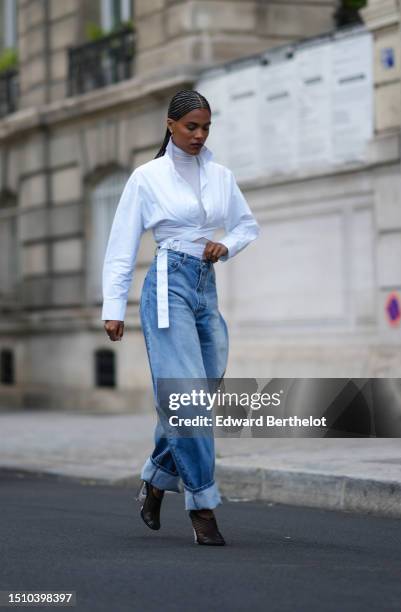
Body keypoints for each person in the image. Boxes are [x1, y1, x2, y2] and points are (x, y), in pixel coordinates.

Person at [101, 89, 260, 546]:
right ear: (170, 125)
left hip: (205, 287)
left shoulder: (220, 175)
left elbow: (246, 224)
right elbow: (121, 244)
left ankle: (155, 478)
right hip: (166, 285)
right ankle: (203, 507)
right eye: (191, 126)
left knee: (200, 396)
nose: (199, 134)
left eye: (206, 127)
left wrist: (225, 244)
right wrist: (114, 307)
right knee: (186, 402)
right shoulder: (146, 177)